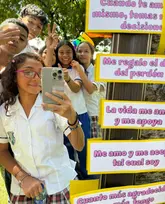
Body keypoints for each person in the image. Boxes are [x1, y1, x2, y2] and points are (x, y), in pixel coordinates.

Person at [0, 52, 84, 203]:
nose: (36, 78)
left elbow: (78, 145)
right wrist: (23, 178)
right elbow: (2, 151)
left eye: (41, 73)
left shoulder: (55, 105)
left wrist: (72, 117)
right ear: (14, 75)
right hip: (22, 190)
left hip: (58, 185)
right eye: (28, 71)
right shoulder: (4, 111)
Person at [54, 40, 91, 179]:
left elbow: (76, 88)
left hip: (80, 113)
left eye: (68, 52)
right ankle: (72, 178)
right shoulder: (52, 69)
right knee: (67, 149)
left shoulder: (77, 67)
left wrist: (67, 78)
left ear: (73, 53)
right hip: (62, 116)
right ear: (56, 54)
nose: (65, 55)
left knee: (83, 149)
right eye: (61, 52)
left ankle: (88, 177)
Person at [74, 41, 102, 138]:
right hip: (78, 115)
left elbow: (90, 89)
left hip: (92, 115)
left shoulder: (98, 71)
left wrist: (79, 70)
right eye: (79, 51)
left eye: (86, 51)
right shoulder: (73, 71)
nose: (82, 54)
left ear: (91, 54)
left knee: (92, 148)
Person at [0, 18, 29, 92]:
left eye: (21, 38)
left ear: (25, 45)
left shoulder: (19, 71)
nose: (15, 39)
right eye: (11, 34)